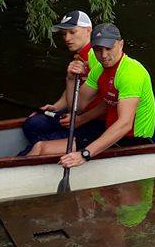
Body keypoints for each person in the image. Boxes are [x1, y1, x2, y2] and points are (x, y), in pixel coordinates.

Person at [29, 23, 155, 166]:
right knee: (39, 146)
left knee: (42, 148)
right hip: (111, 134)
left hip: (134, 141)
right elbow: (77, 107)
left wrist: (85, 154)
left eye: (109, 48)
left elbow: (125, 124)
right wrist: (70, 79)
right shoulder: (99, 70)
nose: (103, 55)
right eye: (97, 49)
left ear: (121, 44)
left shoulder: (131, 73)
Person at [20, 10, 107, 155]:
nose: (67, 38)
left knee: (38, 139)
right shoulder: (78, 56)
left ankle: (42, 150)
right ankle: (46, 150)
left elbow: (108, 100)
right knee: (32, 124)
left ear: (88, 31)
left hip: (93, 120)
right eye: (64, 34)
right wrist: (56, 106)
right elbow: (73, 89)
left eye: (72, 32)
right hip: (77, 112)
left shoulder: (96, 56)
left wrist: (80, 119)